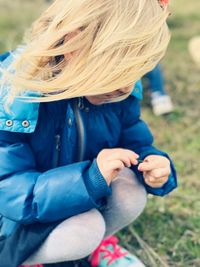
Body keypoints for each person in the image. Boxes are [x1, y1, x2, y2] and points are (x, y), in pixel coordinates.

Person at [0, 0, 177, 267]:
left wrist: (156, 167)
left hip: (76, 199)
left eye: (137, 72)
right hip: (16, 221)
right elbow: (10, 191)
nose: (126, 87)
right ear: (74, 43)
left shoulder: (119, 94)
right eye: (119, 70)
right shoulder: (16, 97)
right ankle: (28, 259)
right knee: (86, 228)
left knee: (131, 190)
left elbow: (136, 143)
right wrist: (89, 179)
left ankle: (95, 248)